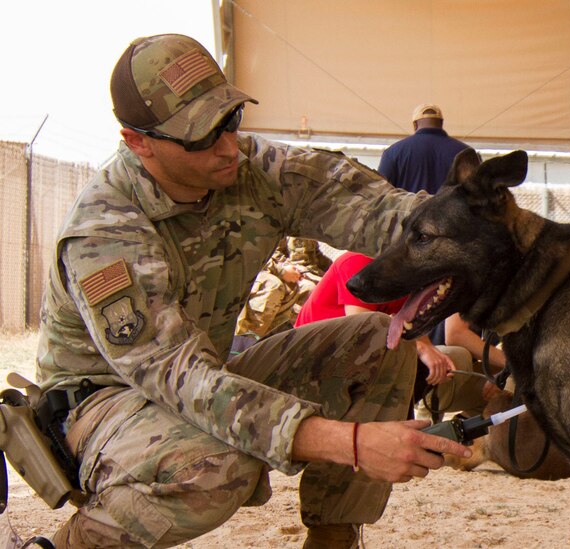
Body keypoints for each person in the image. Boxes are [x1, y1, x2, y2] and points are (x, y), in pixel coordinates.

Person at [31, 34, 471, 549]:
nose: (226, 146)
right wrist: (350, 442)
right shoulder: (106, 231)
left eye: (230, 120)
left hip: (199, 375)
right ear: (138, 142)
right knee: (218, 466)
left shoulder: (249, 170)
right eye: (200, 137)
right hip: (100, 405)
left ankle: (333, 540)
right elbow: (178, 377)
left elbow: (378, 209)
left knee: (380, 342)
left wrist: (487, 236)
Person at [295, 251, 487, 417]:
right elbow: (365, 333)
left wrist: (428, 349)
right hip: (319, 366)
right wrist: (421, 349)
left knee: (451, 359)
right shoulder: (359, 261)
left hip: (361, 360)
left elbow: (409, 322)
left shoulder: (404, 274)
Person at [233, 237, 331, 351]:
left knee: (306, 289)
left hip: (274, 267)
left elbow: (278, 252)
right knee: (272, 285)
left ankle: (272, 345)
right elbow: (248, 254)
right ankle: (243, 345)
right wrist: (282, 271)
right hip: (245, 272)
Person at [377, 103, 469, 194]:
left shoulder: (392, 152)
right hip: (454, 209)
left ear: (415, 125)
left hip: (410, 209)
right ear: (441, 123)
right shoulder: (467, 153)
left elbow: (380, 195)